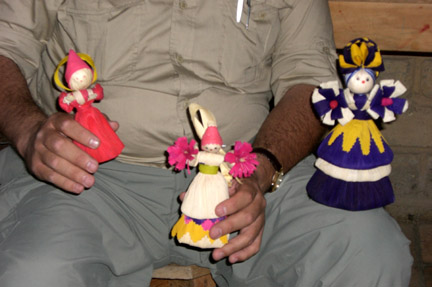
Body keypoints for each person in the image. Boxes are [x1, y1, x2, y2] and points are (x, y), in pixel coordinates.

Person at [0, 1, 412, 286]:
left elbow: (307, 82)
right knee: (34, 272)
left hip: (249, 175)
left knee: (369, 252)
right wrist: (28, 128)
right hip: (90, 176)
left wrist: (264, 170)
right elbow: (5, 48)